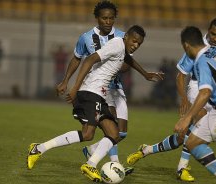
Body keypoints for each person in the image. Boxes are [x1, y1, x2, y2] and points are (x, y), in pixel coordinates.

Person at [55, 0, 164, 175]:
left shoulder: (124, 36)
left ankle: (91, 151)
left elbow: (127, 60)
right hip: (97, 87)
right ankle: (114, 164)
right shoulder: (86, 37)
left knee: (121, 133)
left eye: (111, 18)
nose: (108, 21)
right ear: (97, 18)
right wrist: (66, 80)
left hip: (116, 87)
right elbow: (77, 58)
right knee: (110, 126)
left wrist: (143, 73)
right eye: (104, 18)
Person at [27, 25, 147, 182]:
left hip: (99, 95)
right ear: (126, 37)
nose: (136, 45)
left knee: (114, 134)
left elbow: (128, 59)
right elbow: (90, 59)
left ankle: (90, 163)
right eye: (134, 41)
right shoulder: (117, 44)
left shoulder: (122, 49)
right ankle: (39, 148)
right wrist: (75, 87)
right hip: (91, 91)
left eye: (139, 43)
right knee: (88, 134)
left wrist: (145, 74)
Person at [126, 17, 216, 181]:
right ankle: (182, 168)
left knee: (184, 138)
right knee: (198, 124)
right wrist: (184, 100)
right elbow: (182, 75)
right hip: (199, 85)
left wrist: (186, 118)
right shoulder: (200, 48)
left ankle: (147, 150)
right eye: (213, 34)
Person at [175, 26, 216, 184]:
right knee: (192, 141)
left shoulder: (202, 61)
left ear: (186, 45)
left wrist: (187, 118)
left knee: (193, 143)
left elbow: (205, 92)